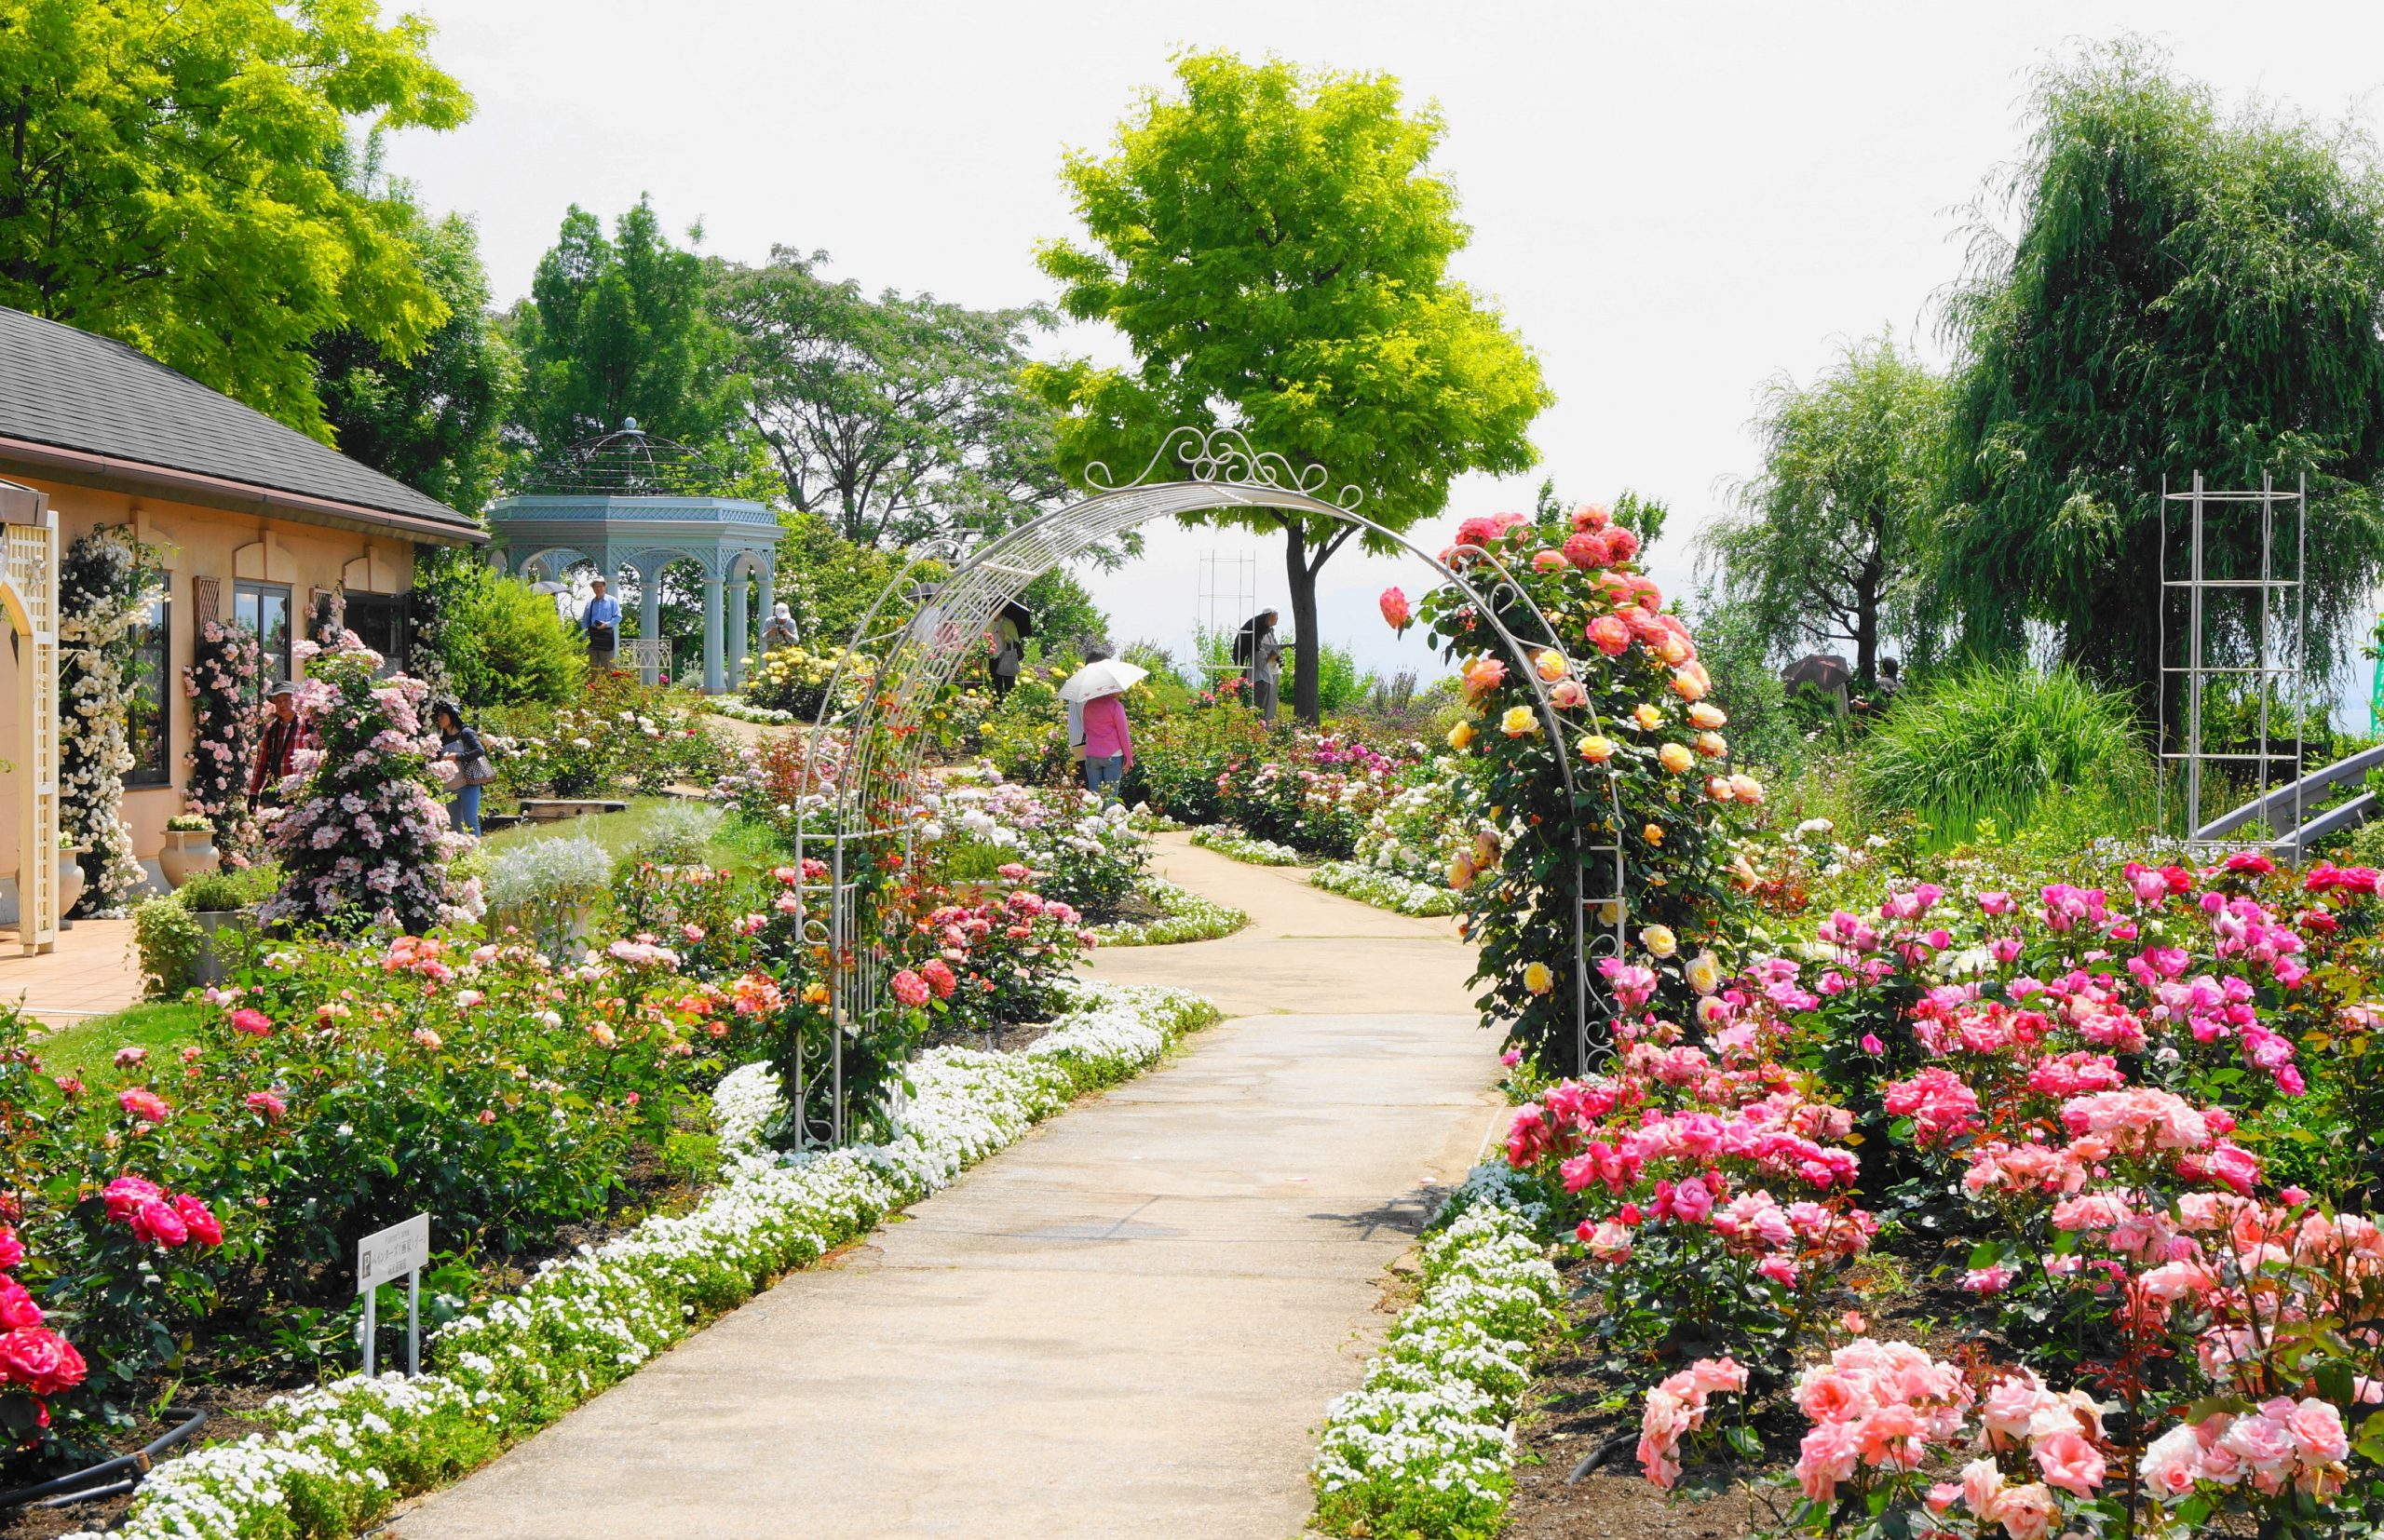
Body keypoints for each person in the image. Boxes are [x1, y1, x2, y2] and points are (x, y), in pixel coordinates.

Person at [432, 701, 492, 836]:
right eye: (438, 716)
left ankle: (475, 855)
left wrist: (457, 757)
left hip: (468, 784)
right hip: (449, 787)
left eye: (442, 715)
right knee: (455, 825)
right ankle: (460, 853)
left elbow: (479, 751)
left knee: (471, 822)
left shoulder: (466, 733)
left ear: (452, 716)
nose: (439, 718)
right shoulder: (441, 740)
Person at [248, 682, 308, 808]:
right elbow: (261, 763)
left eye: (286, 700)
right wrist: (253, 793)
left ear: (294, 700)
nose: (282, 705)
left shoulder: (306, 725)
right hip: (276, 792)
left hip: (301, 792)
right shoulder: (271, 729)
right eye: (278, 701)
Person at [1078, 681, 1133, 804]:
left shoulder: (1088, 704)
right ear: (1111, 689)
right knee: (1110, 798)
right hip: (1112, 755)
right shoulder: (1116, 706)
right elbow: (1123, 734)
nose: (1121, 691)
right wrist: (1129, 758)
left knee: (1093, 797)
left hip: (1092, 754)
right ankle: (1108, 822)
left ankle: (1093, 822)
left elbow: (1086, 729)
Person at [1234, 610, 1284, 722]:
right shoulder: (1259, 638)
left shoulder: (1270, 632)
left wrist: (1276, 656)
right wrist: (1272, 655)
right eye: (1275, 617)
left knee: (1269, 707)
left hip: (1270, 673)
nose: (1277, 620)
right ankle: (1259, 728)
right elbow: (1261, 662)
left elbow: (1272, 649)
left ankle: (1265, 727)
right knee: (1260, 707)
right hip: (1261, 676)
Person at [581, 577, 622, 670]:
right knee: (593, 667)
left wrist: (606, 624)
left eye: (600, 586)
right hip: (593, 637)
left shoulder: (612, 601)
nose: (598, 589)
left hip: (606, 636)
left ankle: (607, 685)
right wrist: (584, 636)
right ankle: (594, 685)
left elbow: (618, 617)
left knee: (607, 667)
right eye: (595, 587)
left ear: (604, 587)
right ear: (593, 589)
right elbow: (585, 621)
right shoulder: (590, 603)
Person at [988, 608, 1024, 698]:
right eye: (990, 611)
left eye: (993, 610)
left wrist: (1005, 636)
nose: (991, 613)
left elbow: (1015, 642)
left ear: (999, 611)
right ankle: (997, 703)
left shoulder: (1009, 623)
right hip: (994, 657)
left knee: (1009, 684)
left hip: (1007, 657)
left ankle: (1010, 704)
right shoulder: (989, 623)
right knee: (995, 683)